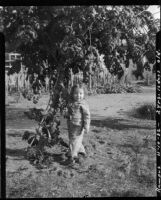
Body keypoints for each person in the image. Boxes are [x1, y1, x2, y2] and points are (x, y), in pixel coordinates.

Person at [66, 83, 90, 164]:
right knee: (73, 139)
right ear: (72, 94)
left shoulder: (83, 104)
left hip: (79, 125)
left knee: (76, 140)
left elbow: (87, 115)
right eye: (76, 93)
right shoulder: (71, 101)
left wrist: (87, 126)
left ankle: (73, 155)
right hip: (70, 124)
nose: (78, 95)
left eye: (81, 93)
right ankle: (81, 151)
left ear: (84, 94)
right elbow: (69, 111)